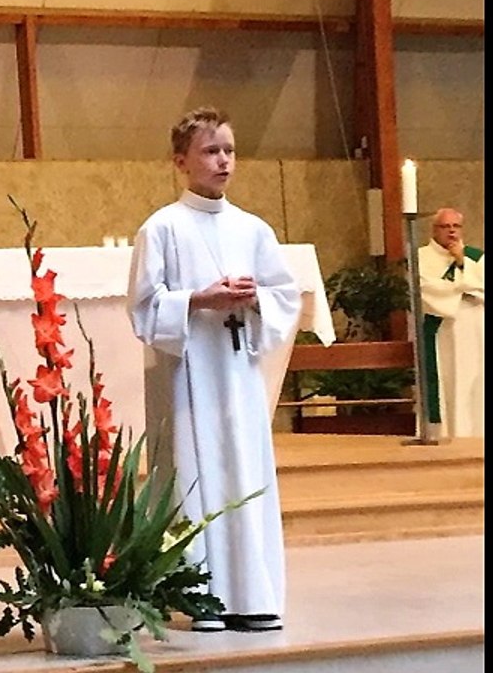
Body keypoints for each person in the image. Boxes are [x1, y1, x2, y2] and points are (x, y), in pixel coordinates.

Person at [126, 107, 301, 633]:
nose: (222, 160)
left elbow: (284, 295)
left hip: (238, 373)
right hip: (189, 377)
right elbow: (142, 306)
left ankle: (254, 594)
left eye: (228, 149)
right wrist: (198, 300)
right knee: (199, 475)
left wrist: (253, 300)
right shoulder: (161, 228)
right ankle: (204, 599)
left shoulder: (253, 228)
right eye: (210, 150)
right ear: (181, 160)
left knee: (245, 471)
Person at [418, 207, 484, 438]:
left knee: (474, 383)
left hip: (474, 328)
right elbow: (427, 289)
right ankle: (444, 434)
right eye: (445, 227)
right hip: (442, 330)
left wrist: (461, 262)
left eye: (456, 226)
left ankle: (476, 434)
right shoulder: (421, 257)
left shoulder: (476, 256)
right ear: (434, 230)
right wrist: (467, 286)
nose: (452, 231)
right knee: (447, 381)